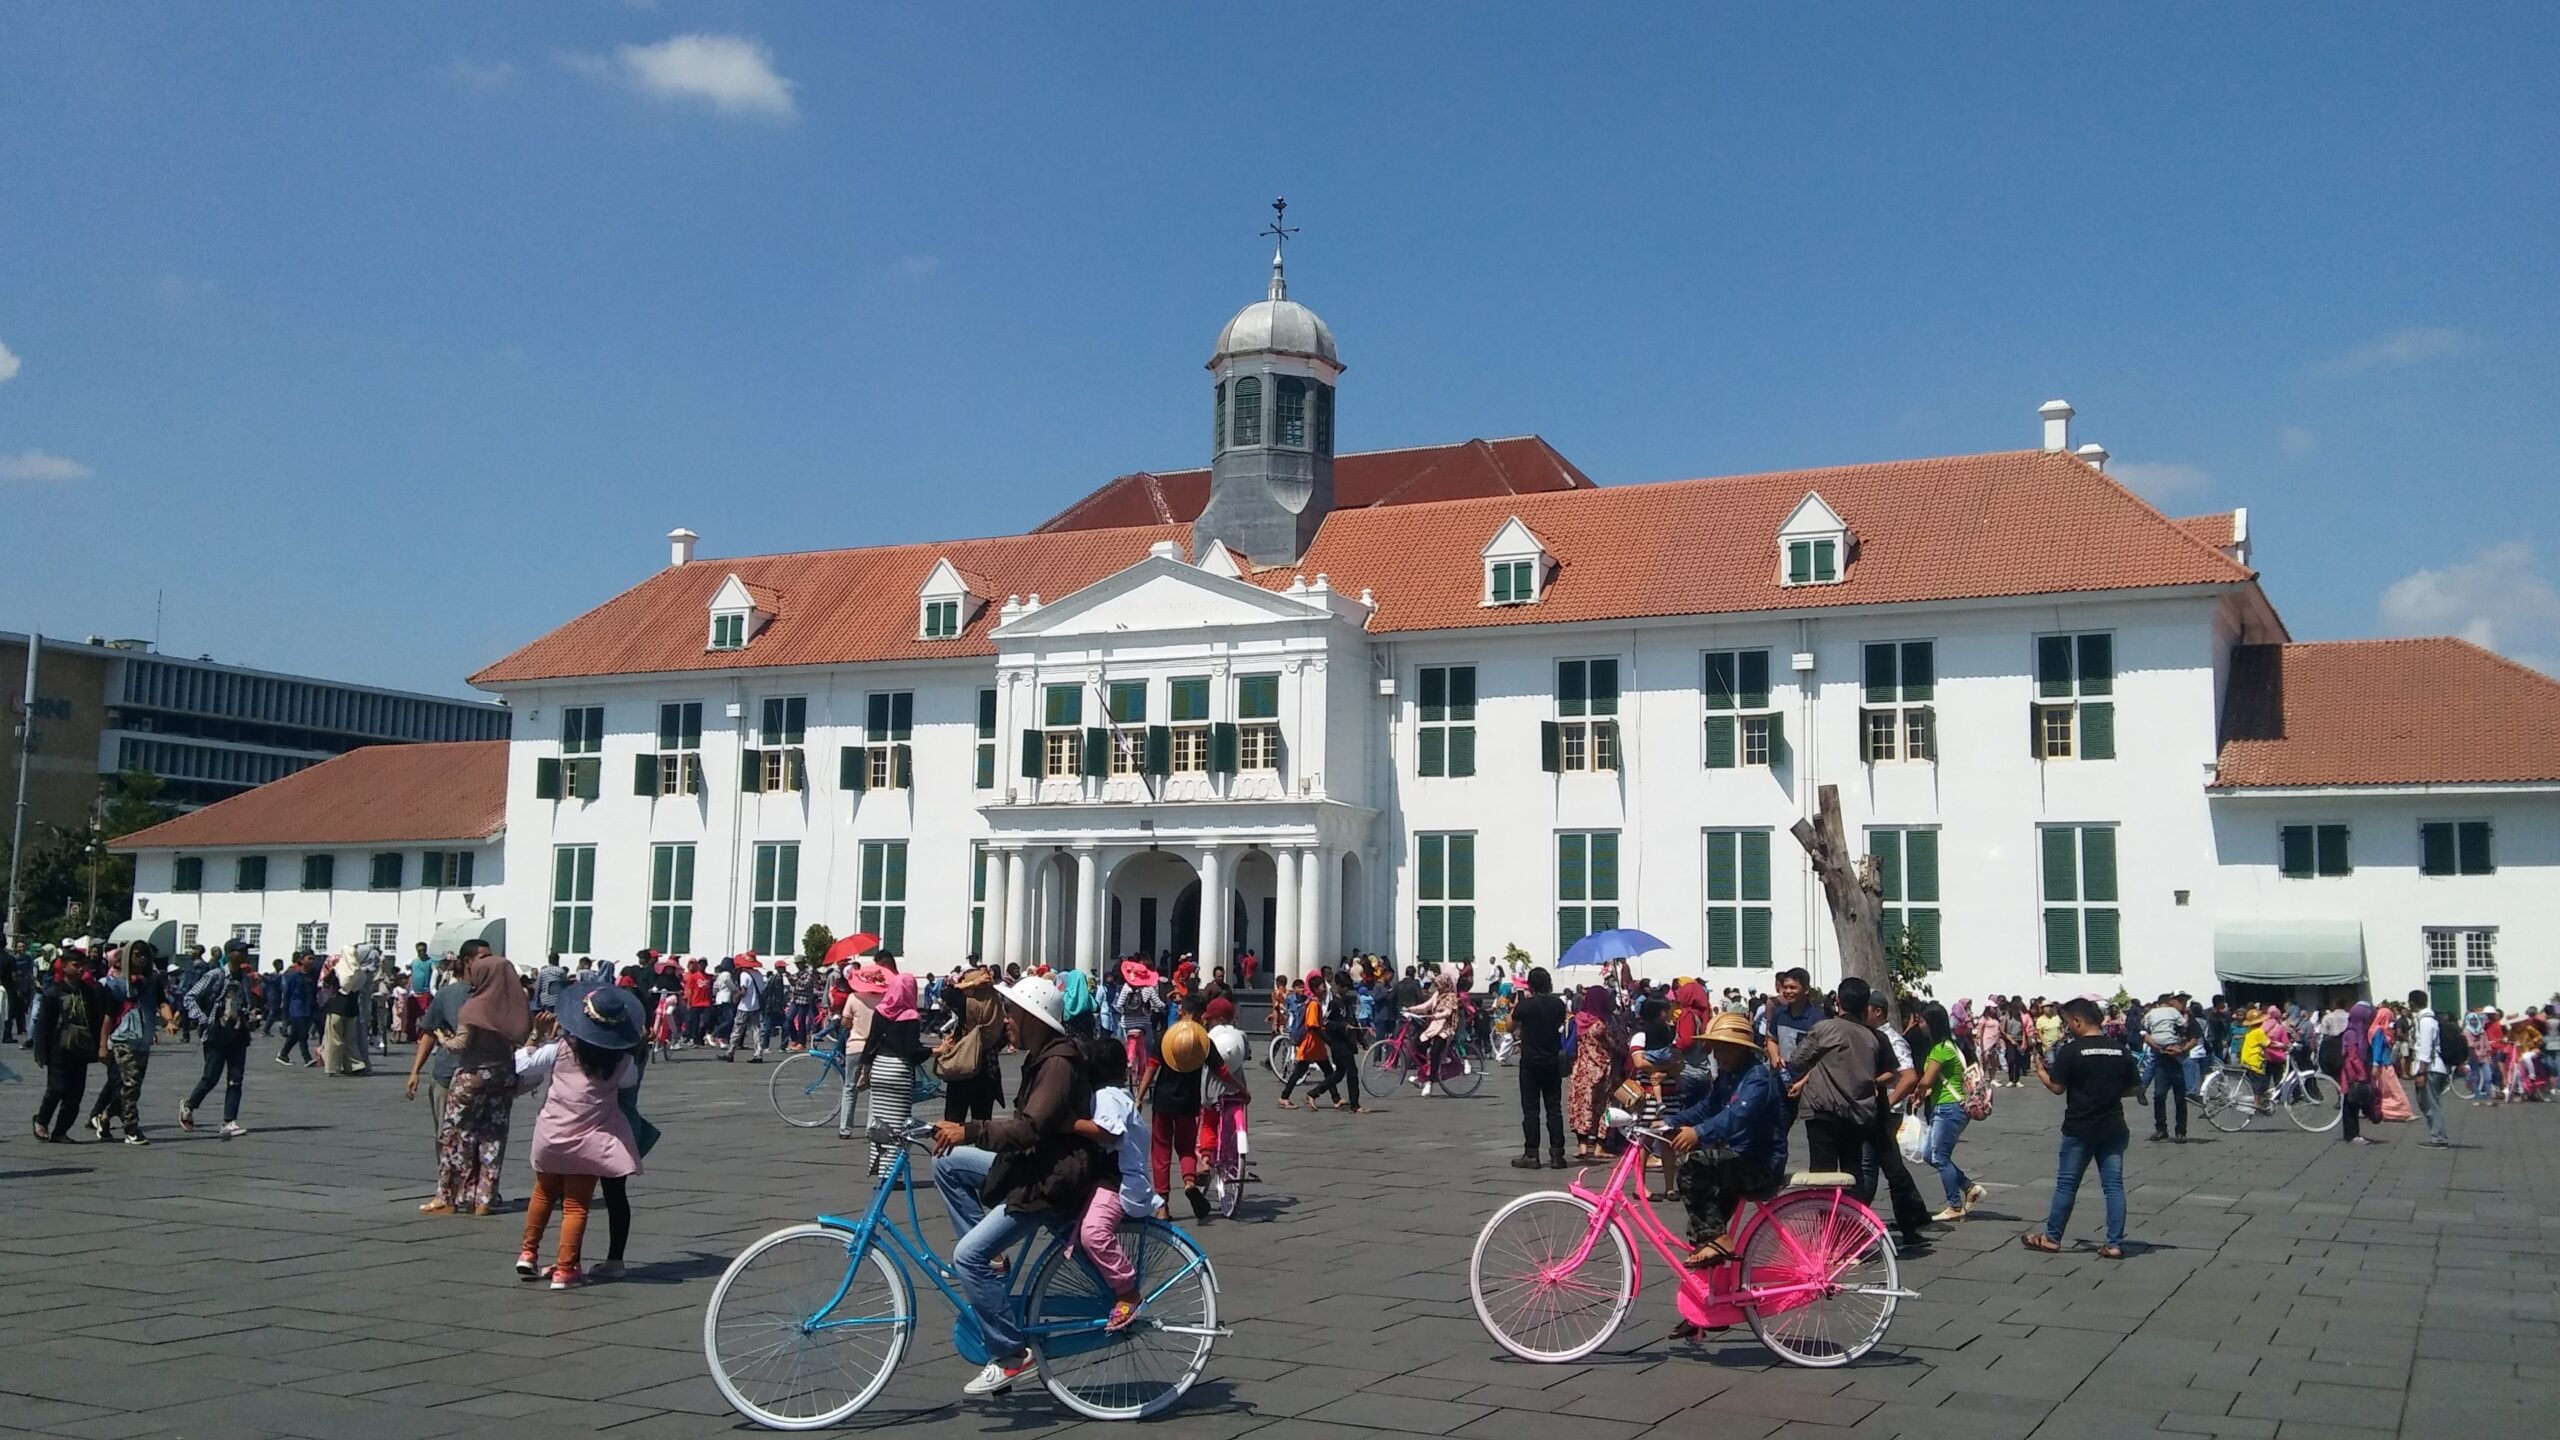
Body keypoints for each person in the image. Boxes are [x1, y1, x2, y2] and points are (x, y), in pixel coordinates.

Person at [928, 972, 1097, 1398]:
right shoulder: (1042, 1055)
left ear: (1034, 1019)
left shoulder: (1057, 1063)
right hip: (1029, 1164)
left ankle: (1008, 1354)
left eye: (1013, 1012)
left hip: (1045, 1179)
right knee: (947, 1166)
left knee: (966, 1257)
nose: (1006, 1020)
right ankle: (996, 1261)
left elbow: (1028, 1130)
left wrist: (969, 1131)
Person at [513, 984, 645, 1289]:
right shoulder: (622, 1063)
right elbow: (630, 1084)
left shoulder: (558, 1050)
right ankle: (565, 1269)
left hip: (550, 1136)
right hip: (589, 1142)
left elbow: (521, 1064)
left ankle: (528, 1252)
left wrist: (535, 1036)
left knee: (543, 1193)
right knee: (575, 1205)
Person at [1661, 1010, 1786, 1278]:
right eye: (1714, 1049)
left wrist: (1697, 1132)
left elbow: (1736, 1116)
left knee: (1691, 1166)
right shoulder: (1728, 1076)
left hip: (1759, 1163)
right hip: (1735, 1158)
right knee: (1701, 1231)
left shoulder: (1757, 1077)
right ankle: (1708, 1311)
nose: (1717, 1056)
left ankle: (1718, 1239)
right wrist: (1669, 1123)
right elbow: (1707, 1107)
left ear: (1740, 1049)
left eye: (1723, 1050)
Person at [2024, 997, 2139, 1259]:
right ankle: (2114, 1243)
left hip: (2080, 1128)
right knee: (2114, 1186)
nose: (2066, 1028)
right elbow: (2134, 1087)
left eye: (2066, 1023)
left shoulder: (2072, 1052)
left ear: (2077, 1021)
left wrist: (2040, 1072)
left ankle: (2052, 1238)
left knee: (2067, 1184)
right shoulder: (2120, 1050)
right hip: (2113, 1126)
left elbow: (2057, 1087)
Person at [425, 944, 530, 1216]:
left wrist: (442, 1038)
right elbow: (523, 1039)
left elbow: (461, 1044)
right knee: (493, 1136)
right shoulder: (513, 1006)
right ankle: (484, 1198)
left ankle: (448, 1196)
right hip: (503, 1074)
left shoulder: (473, 1007)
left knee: (456, 1136)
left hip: (472, 1075)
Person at [1070, 1037, 1155, 1332]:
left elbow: (1109, 1132)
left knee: (1093, 1233)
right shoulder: (1115, 1094)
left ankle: (1126, 1290)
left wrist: (1066, 1122)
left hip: (1118, 1180)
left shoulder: (1107, 1095)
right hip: (1111, 1176)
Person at [405, 959, 475, 1206]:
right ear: (467, 963)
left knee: (478, 1136)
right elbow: (428, 1031)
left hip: (481, 1075)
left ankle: (476, 1188)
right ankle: (447, 1188)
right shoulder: (448, 995)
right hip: (446, 1073)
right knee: (444, 1135)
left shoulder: (494, 995)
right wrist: (415, 1071)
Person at [89, 942, 168, 1145]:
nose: (141, 959)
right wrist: (102, 1045)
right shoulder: (115, 984)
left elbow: (162, 1002)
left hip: (143, 1039)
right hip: (123, 1038)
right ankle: (131, 1129)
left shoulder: (152, 981)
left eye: (145, 955)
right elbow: (108, 1015)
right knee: (130, 1084)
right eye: (137, 955)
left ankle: (104, 1117)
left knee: (133, 1087)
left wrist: (170, 1020)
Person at [853, 957, 923, 1178]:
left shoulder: (881, 1011)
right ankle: (892, 1173)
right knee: (899, 1124)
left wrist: (865, 1072)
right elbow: (912, 1052)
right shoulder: (911, 1016)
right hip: (899, 1073)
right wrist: (934, 1051)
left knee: (880, 1121)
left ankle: (879, 1168)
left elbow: (870, 1044)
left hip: (880, 1070)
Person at [181, 940, 259, 1137]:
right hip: (216, 1033)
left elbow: (245, 1003)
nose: (244, 955)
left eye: (245, 951)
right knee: (211, 1077)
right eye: (240, 951)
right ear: (229, 953)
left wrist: (251, 1016)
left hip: (239, 1033)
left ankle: (229, 1121)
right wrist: (203, 1019)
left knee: (236, 1079)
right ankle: (189, 1105)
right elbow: (190, 997)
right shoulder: (215, 975)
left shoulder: (244, 978)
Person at [1916, 1002, 1983, 1220]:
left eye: (1922, 1021)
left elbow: (1926, 1080)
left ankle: (1954, 1205)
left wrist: (1916, 1093)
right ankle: (1968, 1187)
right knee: (1929, 1154)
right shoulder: (1950, 1046)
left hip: (1949, 1108)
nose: (1919, 1024)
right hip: (1947, 1106)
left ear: (1933, 1024)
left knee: (1940, 1157)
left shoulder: (1941, 1050)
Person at [31, 952, 107, 1142]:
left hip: (80, 1047)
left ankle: (61, 1131)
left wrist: (99, 1045)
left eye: (83, 965)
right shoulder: (53, 992)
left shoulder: (88, 991)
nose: (81, 968)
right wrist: (41, 1050)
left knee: (75, 1093)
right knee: (57, 1088)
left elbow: (96, 1020)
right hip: (58, 1047)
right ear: (63, 966)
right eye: (76, 964)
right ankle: (42, 1119)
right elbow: (44, 1024)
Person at [1509, 967, 1569, 1169]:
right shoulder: (1558, 1005)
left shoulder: (1525, 1006)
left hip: (1530, 1063)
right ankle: (1557, 1154)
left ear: (1531, 985)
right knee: (1554, 1108)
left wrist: (1516, 1005)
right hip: (1552, 1061)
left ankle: (1532, 1153)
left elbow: (1509, 1026)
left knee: (1531, 1110)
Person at [1566, 984, 1623, 1160]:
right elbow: (1618, 1045)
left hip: (1581, 1070)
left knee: (1581, 1107)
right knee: (1603, 1108)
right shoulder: (1605, 1021)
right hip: (1603, 1070)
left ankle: (1582, 1147)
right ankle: (1599, 1147)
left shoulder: (1578, 1019)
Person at [2140, 994, 2191, 1142]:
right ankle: (2167, 1129)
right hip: (2168, 1056)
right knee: (2167, 1096)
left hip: (2170, 1057)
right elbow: (2184, 1025)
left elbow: (2144, 1028)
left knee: (2169, 1096)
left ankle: (2174, 1129)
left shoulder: (2152, 1013)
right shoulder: (2175, 1013)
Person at [2407, 989, 2452, 1147]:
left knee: (2431, 1103)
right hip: (2434, 1068)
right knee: (2425, 1101)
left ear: (2412, 1003)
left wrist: (2421, 1071)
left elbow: (2425, 1048)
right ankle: (2437, 1134)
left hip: (2431, 1068)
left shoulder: (2426, 1022)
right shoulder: (2428, 1020)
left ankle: (2439, 1137)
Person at [2339, 1001, 2377, 1145]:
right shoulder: (2352, 1033)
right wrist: (2361, 1074)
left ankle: (2354, 1133)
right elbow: (2353, 1057)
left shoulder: (2360, 1032)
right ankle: (2351, 1134)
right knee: (2350, 1103)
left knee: (2353, 1102)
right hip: (2352, 1075)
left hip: (2357, 1073)